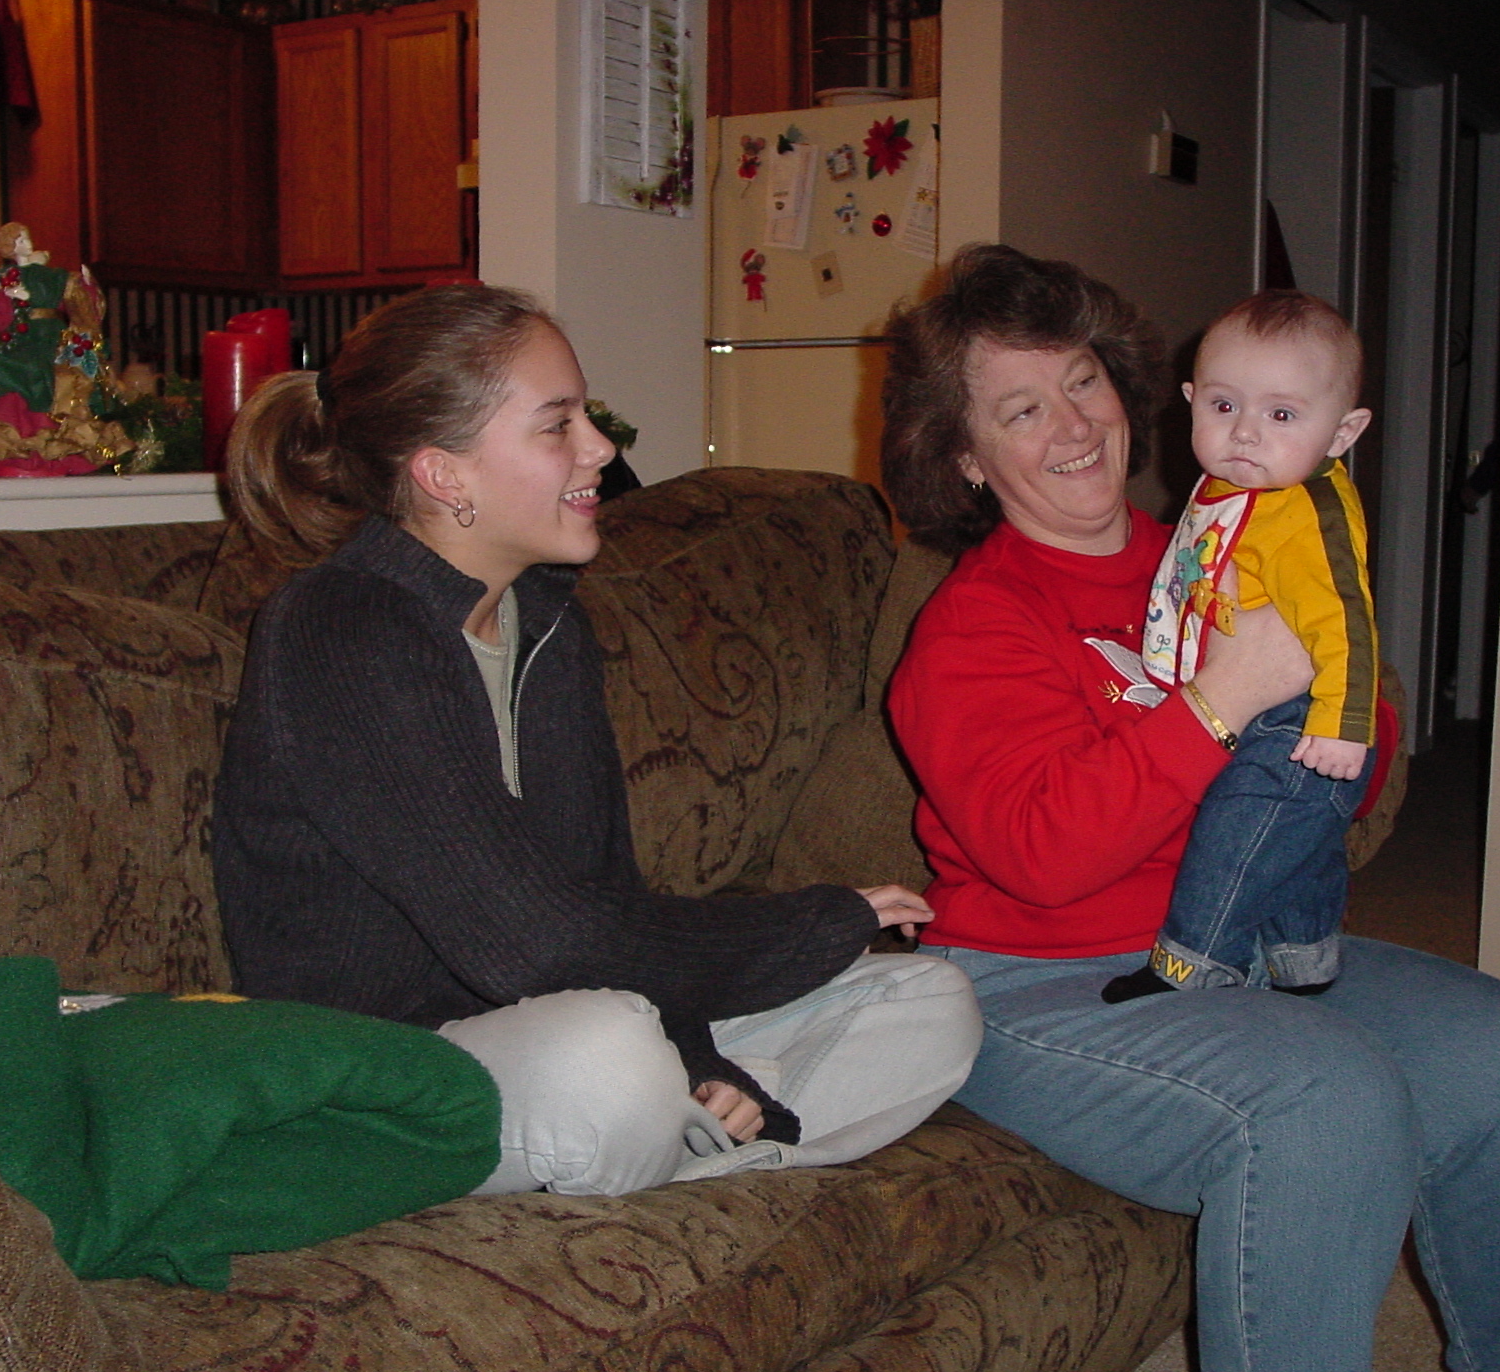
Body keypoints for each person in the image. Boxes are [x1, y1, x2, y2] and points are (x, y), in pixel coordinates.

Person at [880, 244, 1500, 1372]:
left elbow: (1349, 762)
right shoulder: (972, 627)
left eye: (1083, 381)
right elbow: (1042, 856)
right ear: (964, 460)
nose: (1074, 425)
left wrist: (1340, 721)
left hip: (1232, 941)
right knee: (1325, 1102)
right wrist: (1218, 699)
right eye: (1020, 409)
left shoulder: (1222, 540)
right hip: (1038, 983)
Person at [212, 283, 980, 1198]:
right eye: (557, 424)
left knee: (928, 1001)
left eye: (586, 414)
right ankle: (669, 1130)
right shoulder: (340, 629)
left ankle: (697, 1136)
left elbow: (608, 901)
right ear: (444, 475)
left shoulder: (546, 624)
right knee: (608, 1055)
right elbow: (534, 945)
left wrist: (697, 1059)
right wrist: (809, 925)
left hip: (559, 1021)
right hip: (380, 1073)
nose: (601, 448)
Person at [1104, 290, 1381, 1005]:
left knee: (1239, 837)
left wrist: (1343, 723)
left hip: (1303, 717)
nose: (1246, 433)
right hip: (1261, 707)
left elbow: (1348, 625)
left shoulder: (1307, 515)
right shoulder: (1230, 485)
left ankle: (1193, 964)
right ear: (1190, 402)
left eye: (1282, 415)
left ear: (1342, 432)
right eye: (1224, 406)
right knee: (1301, 849)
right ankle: (1303, 962)